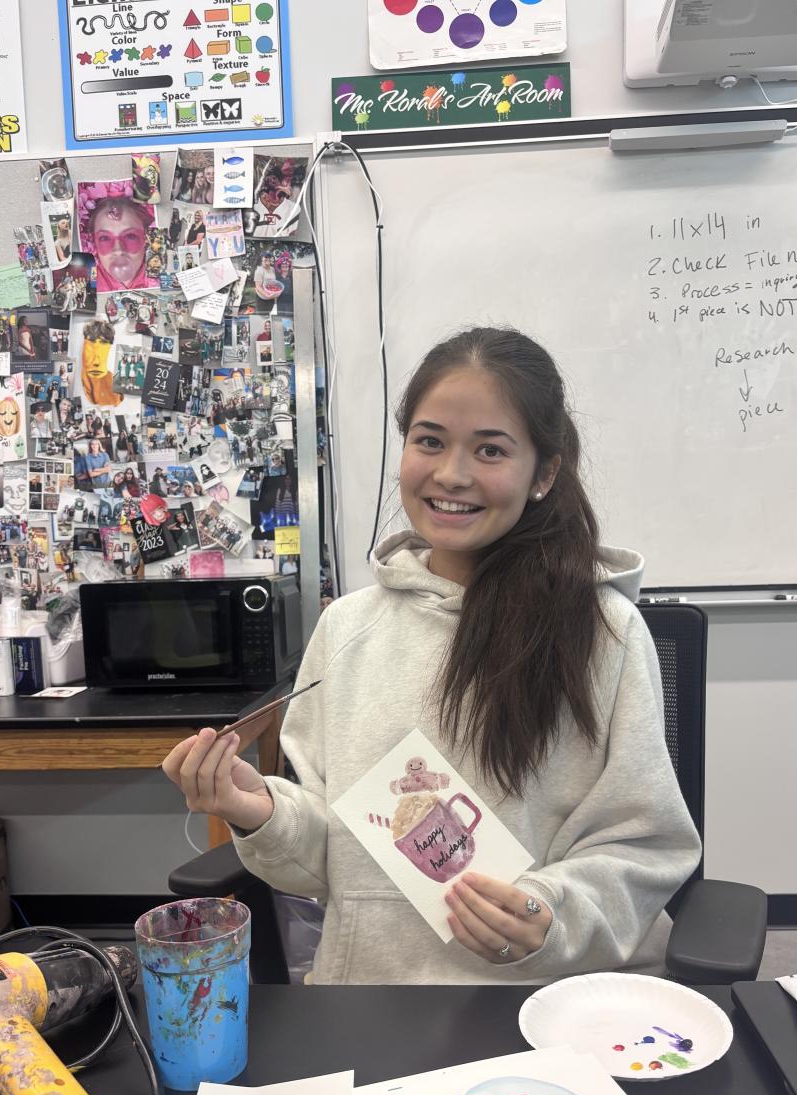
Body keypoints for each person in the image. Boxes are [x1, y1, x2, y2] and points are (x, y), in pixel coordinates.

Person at [162, 328, 701, 985]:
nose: (451, 474)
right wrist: (261, 812)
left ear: (544, 474)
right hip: (371, 997)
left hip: (538, 1002)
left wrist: (551, 913)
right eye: (430, 441)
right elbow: (332, 859)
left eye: (491, 449)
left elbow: (645, 850)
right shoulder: (345, 629)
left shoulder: (606, 633)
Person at [87, 197, 156, 292]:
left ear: (146, 238)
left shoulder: (167, 273)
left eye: (130, 236)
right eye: (105, 238)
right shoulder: (85, 281)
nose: (118, 250)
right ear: (94, 241)